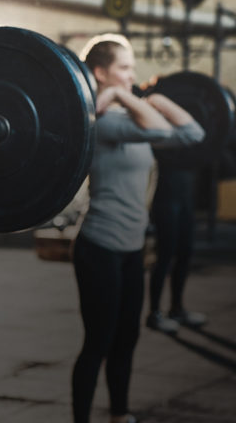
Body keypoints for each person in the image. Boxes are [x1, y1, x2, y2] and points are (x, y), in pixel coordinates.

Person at [71, 34, 204, 423]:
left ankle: (118, 413)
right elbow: (161, 132)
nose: (133, 76)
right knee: (98, 342)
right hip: (100, 246)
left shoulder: (133, 120)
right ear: (101, 72)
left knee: (127, 339)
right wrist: (128, 100)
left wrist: (155, 100)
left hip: (130, 249)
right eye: (124, 69)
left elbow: (193, 134)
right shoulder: (106, 122)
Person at [146, 158, 207, 333]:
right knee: (165, 254)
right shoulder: (168, 135)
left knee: (185, 252)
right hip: (165, 197)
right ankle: (154, 313)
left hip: (185, 196)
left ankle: (177, 309)